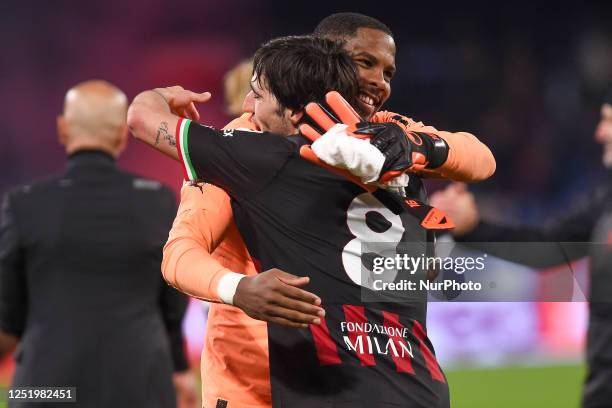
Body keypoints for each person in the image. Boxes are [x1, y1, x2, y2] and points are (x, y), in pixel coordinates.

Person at [127, 33, 487, 408]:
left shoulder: (384, 138)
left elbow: (143, 120)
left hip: (320, 384)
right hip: (282, 380)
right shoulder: (398, 155)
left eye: (388, 71)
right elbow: (181, 253)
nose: (377, 82)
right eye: (364, 64)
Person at [0, 80, 198, 408]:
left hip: (43, 391)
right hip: (141, 389)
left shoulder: (24, 204)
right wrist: (179, 367)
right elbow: (173, 304)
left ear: (63, 130)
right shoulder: (159, 202)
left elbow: (7, 310)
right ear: (122, 135)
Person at [430, 91, 612, 408]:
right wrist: (473, 227)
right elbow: (548, 248)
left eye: (608, 120)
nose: (600, 133)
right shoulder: (606, 202)